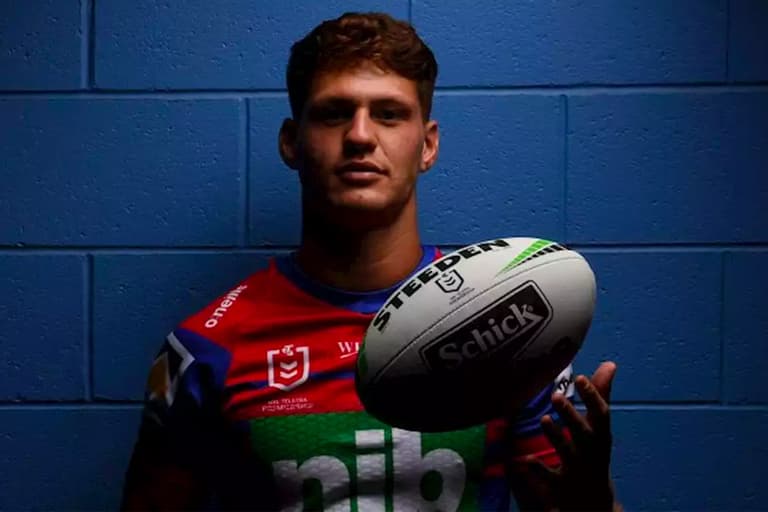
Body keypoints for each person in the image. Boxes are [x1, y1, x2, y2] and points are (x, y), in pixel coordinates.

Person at [122, 12, 621, 511]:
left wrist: (593, 501)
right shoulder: (206, 348)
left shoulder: (507, 320)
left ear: (427, 145)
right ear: (291, 142)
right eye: (334, 113)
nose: (360, 135)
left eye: (388, 114)